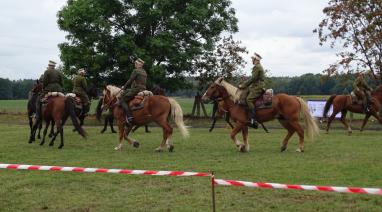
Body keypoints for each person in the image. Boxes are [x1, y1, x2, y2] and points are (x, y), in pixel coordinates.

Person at [238, 53, 265, 129]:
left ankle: (254, 120)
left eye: (252, 59)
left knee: (248, 99)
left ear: (256, 60)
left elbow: (253, 79)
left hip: (257, 87)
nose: (252, 60)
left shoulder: (257, 67)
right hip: (255, 86)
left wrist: (243, 85)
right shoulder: (258, 67)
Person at [119, 58, 147, 126]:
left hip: (137, 89)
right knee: (127, 92)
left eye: (135, 64)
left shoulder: (136, 71)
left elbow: (130, 80)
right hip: (143, 89)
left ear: (138, 65)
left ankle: (129, 117)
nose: (135, 65)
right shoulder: (144, 72)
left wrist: (124, 87)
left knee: (122, 100)